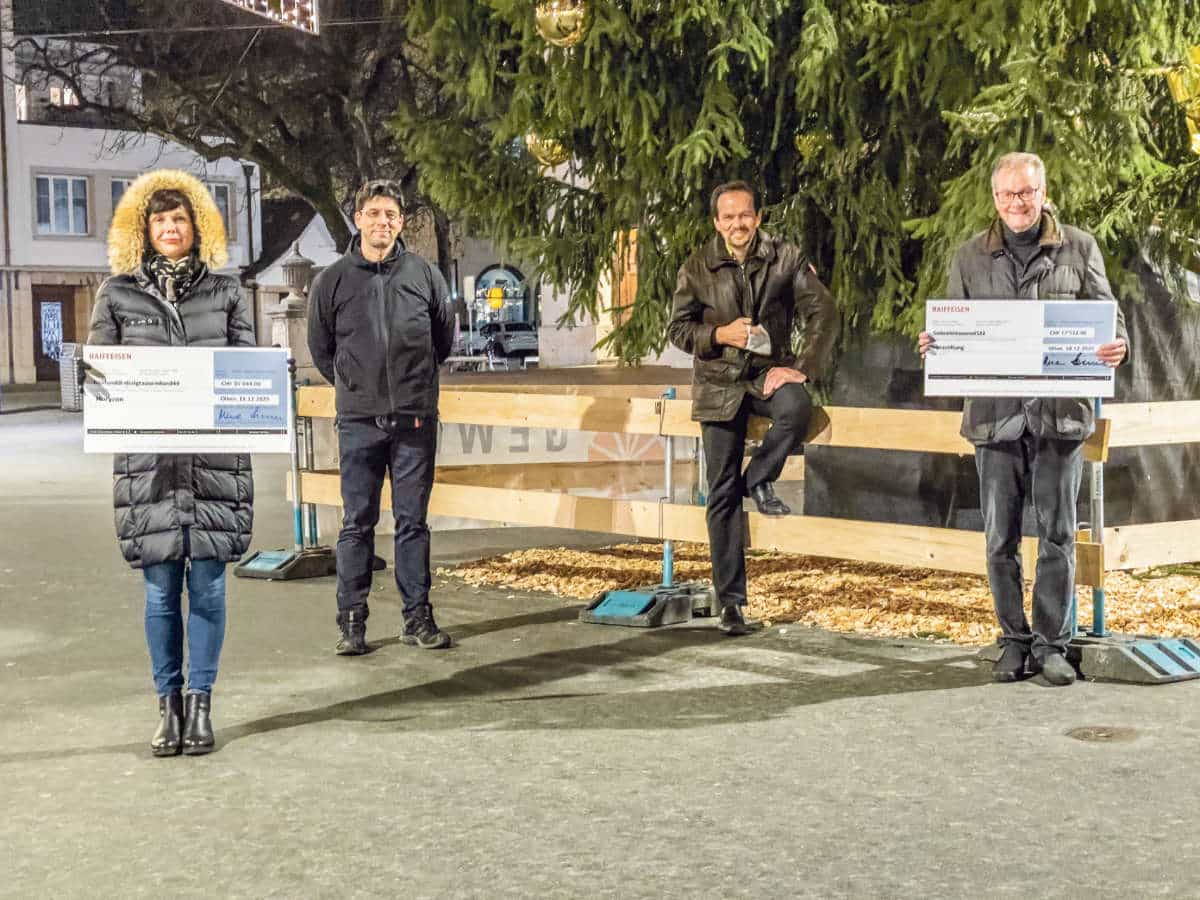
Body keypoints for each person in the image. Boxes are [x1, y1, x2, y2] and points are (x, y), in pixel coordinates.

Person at [920, 151, 1129, 685]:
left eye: (1028, 192)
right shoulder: (969, 257)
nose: (1019, 202)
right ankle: (1013, 642)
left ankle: (1052, 645)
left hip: (1060, 419)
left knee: (1058, 534)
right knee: (999, 538)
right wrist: (936, 345)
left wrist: (1117, 345)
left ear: (1043, 192)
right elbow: (954, 325)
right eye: (1009, 194)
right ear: (995, 199)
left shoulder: (1080, 249)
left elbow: (1111, 319)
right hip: (995, 420)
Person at [88, 169, 255, 756]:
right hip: (148, 465)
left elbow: (245, 370)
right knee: (160, 593)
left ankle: (201, 705)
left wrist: (268, 383)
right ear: (144, 229)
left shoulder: (227, 291)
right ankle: (167, 706)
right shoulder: (117, 295)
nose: (170, 228)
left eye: (179, 218)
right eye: (159, 220)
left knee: (208, 589)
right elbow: (99, 381)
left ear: (197, 226)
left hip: (213, 462)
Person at [667, 180, 839, 635]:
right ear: (716, 223)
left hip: (768, 373)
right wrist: (719, 336)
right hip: (719, 382)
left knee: (798, 408)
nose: (737, 224)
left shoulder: (785, 256)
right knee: (720, 492)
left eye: (745, 215)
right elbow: (678, 329)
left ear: (758, 218)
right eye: (728, 217)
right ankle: (732, 604)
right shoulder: (697, 266)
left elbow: (823, 310)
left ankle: (759, 479)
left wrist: (802, 366)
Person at [307, 180, 455, 655]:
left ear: (401, 221)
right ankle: (352, 622)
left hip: (414, 419)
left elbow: (443, 339)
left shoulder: (425, 275)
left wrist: (414, 386)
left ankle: (418, 618)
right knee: (358, 523)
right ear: (358, 218)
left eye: (391, 214)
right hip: (359, 422)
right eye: (373, 213)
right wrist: (355, 388)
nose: (382, 222)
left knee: (413, 523)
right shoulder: (331, 281)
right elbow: (321, 349)